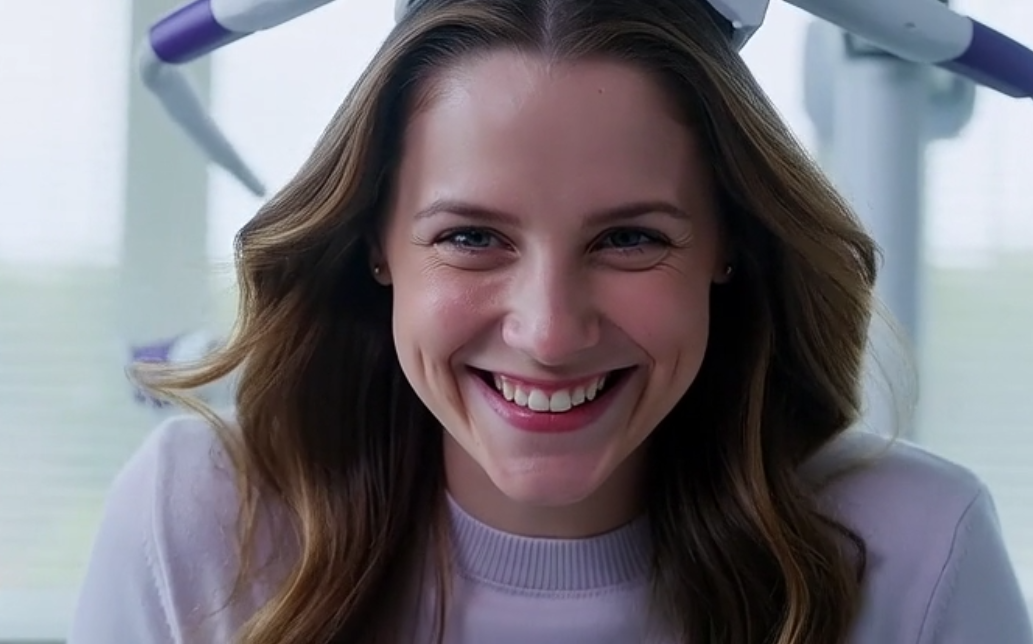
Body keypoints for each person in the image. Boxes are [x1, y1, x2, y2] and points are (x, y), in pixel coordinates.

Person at [68, 0, 1033, 642]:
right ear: (375, 246)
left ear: (728, 249)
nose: (548, 330)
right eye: (471, 238)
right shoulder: (197, 522)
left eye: (629, 240)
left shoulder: (912, 550)